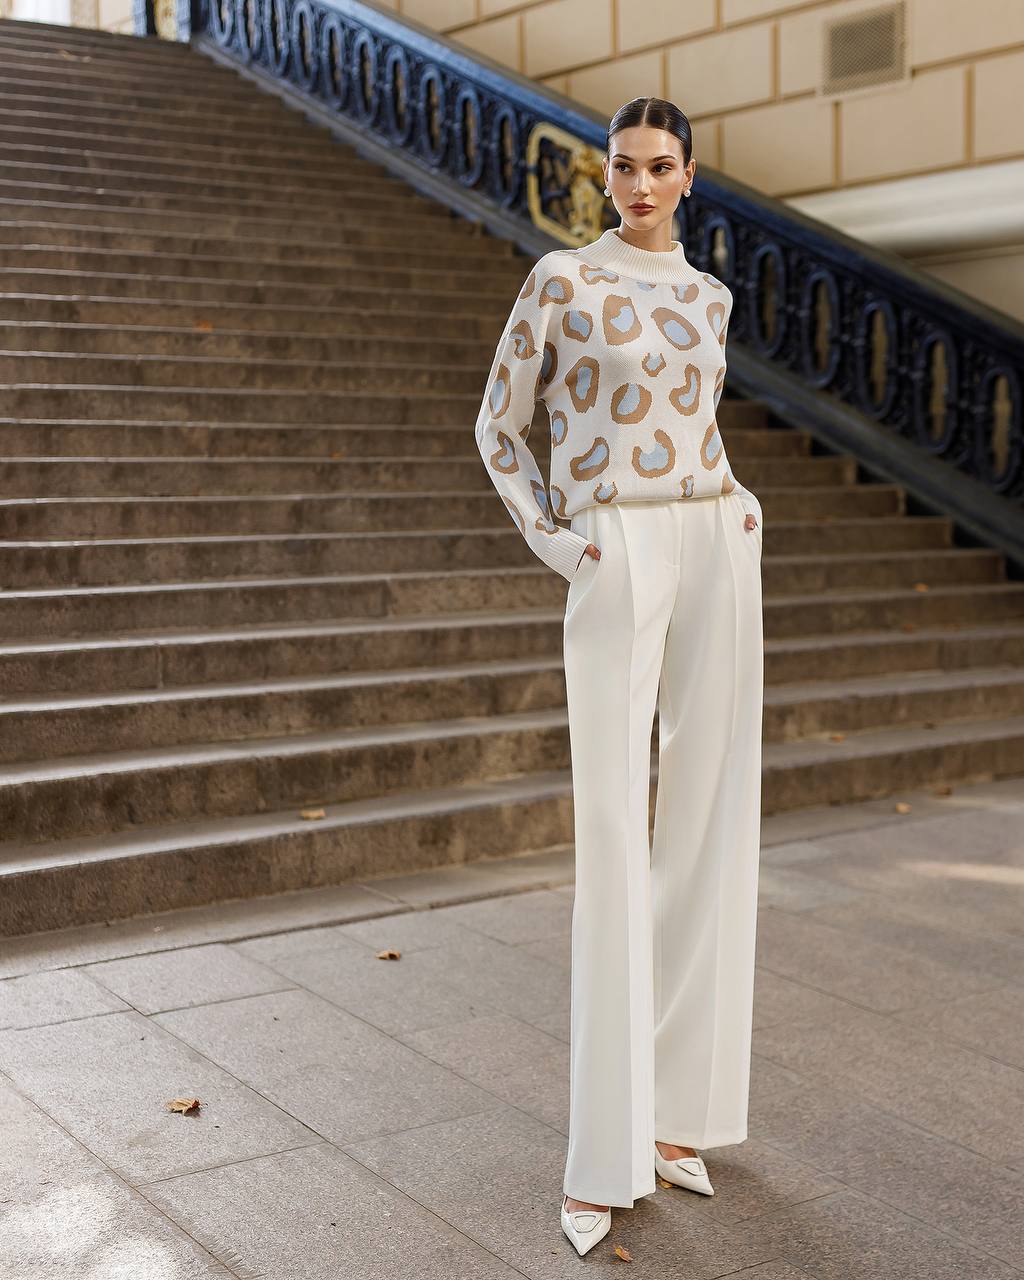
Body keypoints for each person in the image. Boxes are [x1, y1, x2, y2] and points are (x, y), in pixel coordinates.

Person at [473, 95, 764, 1258]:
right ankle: (600, 1154)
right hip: (613, 544)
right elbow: (500, 426)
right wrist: (560, 543)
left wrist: (737, 502)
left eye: (659, 166)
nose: (639, 184)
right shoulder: (563, 280)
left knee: (706, 821)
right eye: (623, 165)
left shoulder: (709, 297)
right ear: (604, 173)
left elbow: (695, 423)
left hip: (712, 538)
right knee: (610, 830)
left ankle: (675, 1116)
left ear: (689, 176)